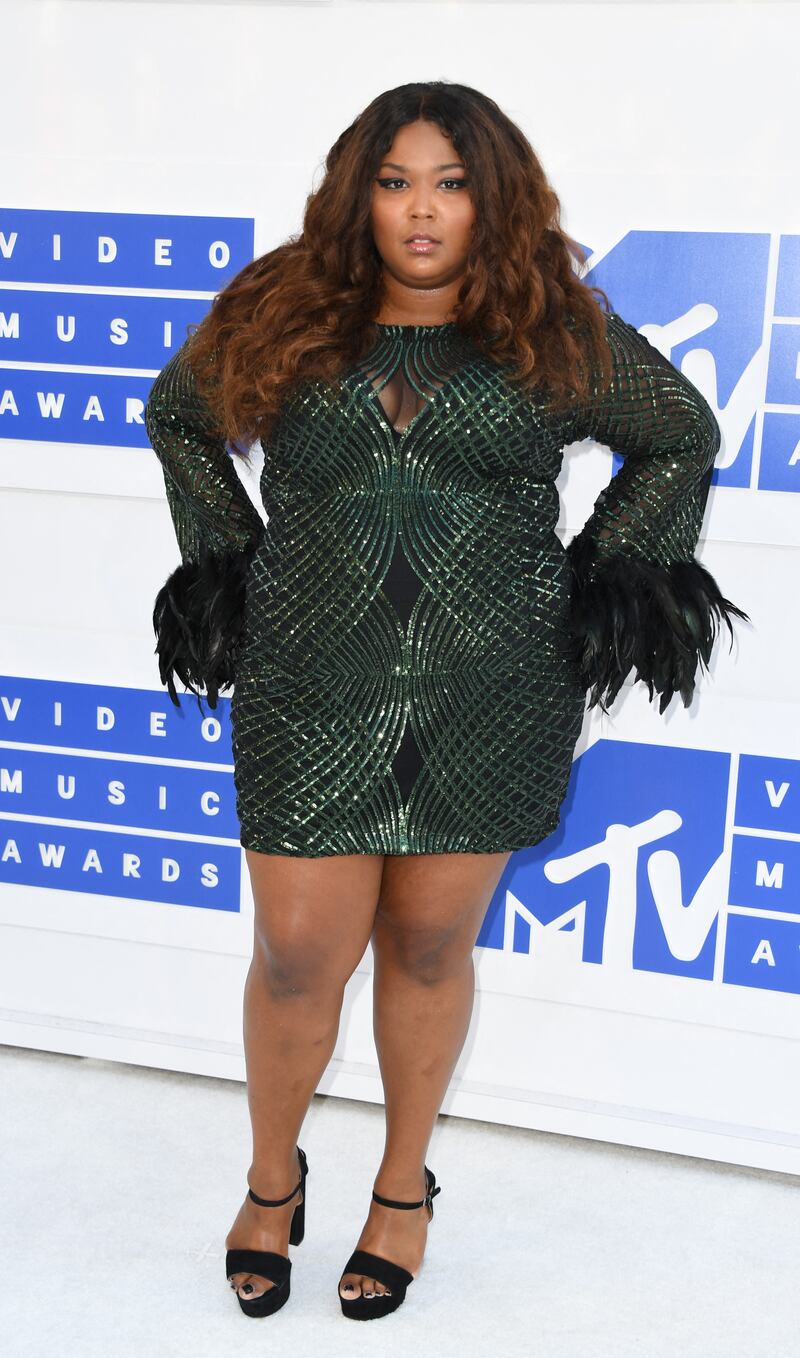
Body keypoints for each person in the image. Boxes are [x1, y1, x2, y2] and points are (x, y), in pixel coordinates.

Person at [143, 82, 749, 1322]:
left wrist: (597, 587)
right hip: (312, 688)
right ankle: (272, 1180)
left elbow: (680, 433)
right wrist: (233, 570)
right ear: (356, 194)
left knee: (427, 947)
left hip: (488, 694)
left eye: (451, 184)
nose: (422, 210)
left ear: (492, 198)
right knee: (297, 952)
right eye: (395, 181)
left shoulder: (553, 331)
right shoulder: (285, 309)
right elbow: (177, 416)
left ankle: (401, 1190)